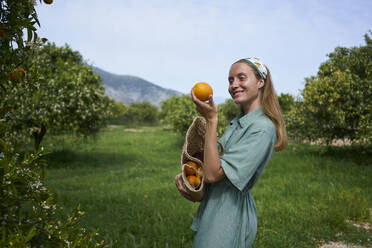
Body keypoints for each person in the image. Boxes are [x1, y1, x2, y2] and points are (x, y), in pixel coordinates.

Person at [174, 57, 288, 247]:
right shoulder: (240, 121)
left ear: (261, 82)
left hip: (229, 216)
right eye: (230, 80)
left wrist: (211, 120)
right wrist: (192, 178)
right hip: (215, 208)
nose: (234, 85)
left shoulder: (261, 128)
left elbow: (212, 175)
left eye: (241, 78)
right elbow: (213, 165)